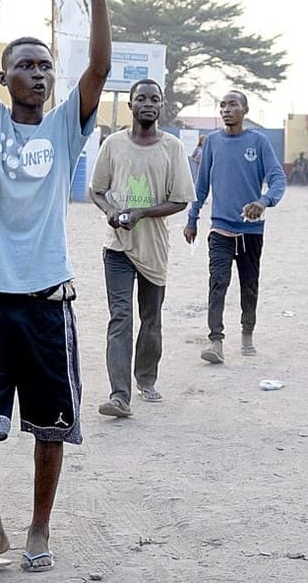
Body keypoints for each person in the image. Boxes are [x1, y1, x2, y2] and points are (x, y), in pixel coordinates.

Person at [0, 0, 110, 576]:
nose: (38, 74)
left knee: (49, 428)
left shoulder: (66, 128)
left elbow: (97, 66)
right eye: (25, 66)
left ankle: (39, 527)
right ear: (5, 78)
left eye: (44, 66)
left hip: (47, 303)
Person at [89, 79, 195, 417]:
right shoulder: (114, 144)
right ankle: (119, 395)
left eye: (154, 99)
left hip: (154, 247)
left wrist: (141, 213)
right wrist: (109, 212)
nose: (147, 104)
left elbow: (179, 199)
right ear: (131, 105)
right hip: (117, 247)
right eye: (141, 99)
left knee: (151, 319)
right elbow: (97, 189)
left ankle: (146, 379)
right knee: (120, 318)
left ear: (161, 106)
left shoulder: (173, 148)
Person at [184, 90, 286, 361]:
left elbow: (277, 178)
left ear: (245, 110)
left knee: (249, 284)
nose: (226, 109)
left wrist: (264, 201)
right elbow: (202, 185)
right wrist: (192, 219)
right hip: (220, 228)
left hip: (251, 230)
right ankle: (215, 341)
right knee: (218, 282)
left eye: (232, 104)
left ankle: (247, 334)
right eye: (223, 105)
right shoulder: (213, 143)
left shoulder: (259, 142)